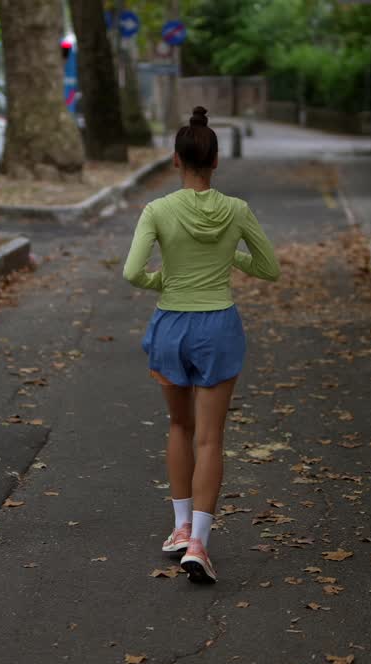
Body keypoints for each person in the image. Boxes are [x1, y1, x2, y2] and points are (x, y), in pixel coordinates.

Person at [122, 106, 280, 583]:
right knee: (212, 437)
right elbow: (269, 268)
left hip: (172, 324)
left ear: (175, 161)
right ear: (215, 163)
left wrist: (165, 280)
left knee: (178, 426)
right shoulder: (236, 211)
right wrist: (229, 254)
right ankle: (200, 544)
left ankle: (179, 526)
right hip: (219, 327)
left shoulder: (157, 211)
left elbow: (132, 272)